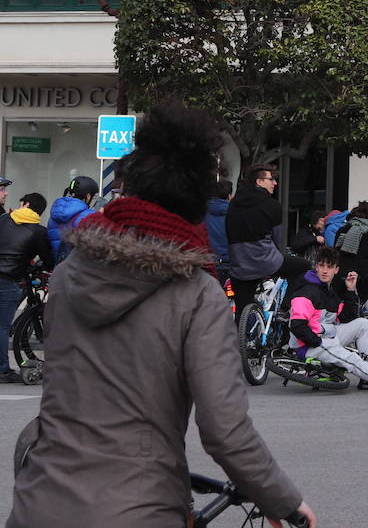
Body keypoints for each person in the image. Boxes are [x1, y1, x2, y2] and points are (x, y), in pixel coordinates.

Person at [7, 102, 314, 528]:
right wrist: (284, 501)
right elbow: (225, 432)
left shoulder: (68, 274)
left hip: (39, 502)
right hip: (139, 508)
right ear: (196, 203)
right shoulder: (196, 293)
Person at [286, 245, 368, 391]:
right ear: (316, 267)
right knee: (351, 358)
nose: (325, 270)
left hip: (326, 336)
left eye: (329, 267)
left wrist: (350, 290)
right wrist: (319, 342)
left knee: (362, 323)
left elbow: (346, 317)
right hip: (308, 345)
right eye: (321, 265)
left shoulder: (329, 293)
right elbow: (297, 326)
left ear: (336, 270)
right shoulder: (306, 291)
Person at [225, 165, 311, 317]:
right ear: (259, 181)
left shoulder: (233, 204)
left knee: (241, 310)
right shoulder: (272, 205)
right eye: (271, 179)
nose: (275, 183)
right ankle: (285, 307)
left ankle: (242, 337)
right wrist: (280, 255)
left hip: (239, 265)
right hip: (266, 261)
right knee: (305, 267)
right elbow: (278, 239)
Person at [0, 192, 53, 384]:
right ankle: (2, 371)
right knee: (2, 326)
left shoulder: (4, 220)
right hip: (8, 278)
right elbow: (48, 260)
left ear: (25, 204)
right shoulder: (38, 231)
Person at [46, 175, 99, 261]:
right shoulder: (91, 216)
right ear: (88, 196)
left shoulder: (54, 215)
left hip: (59, 269)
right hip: (79, 270)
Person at [204, 180, 232, 268]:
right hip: (229, 261)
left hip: (207, 262)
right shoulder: (235, 213)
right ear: (229, 196)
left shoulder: (202, 213)